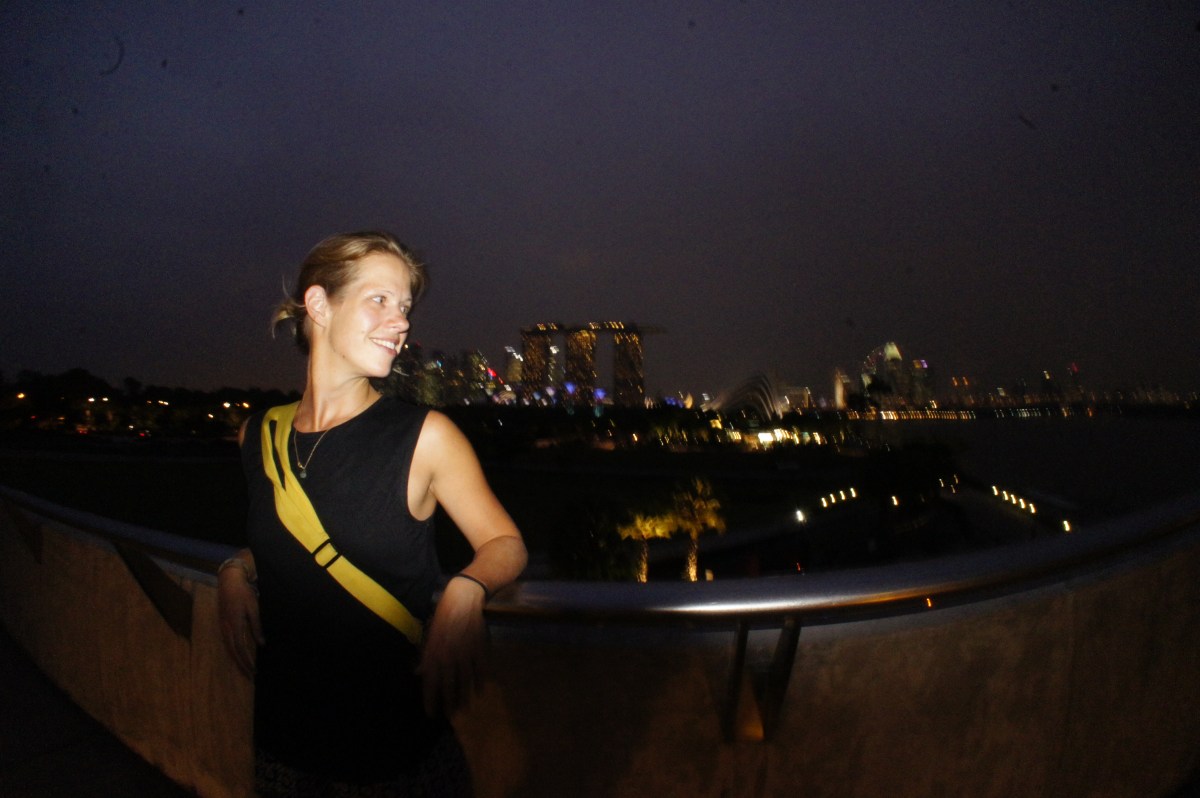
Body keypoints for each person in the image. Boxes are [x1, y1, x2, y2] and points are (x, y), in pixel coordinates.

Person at [218, 230, 527, 797]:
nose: (401, 322)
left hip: (397, 760)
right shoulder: (258, 435)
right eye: (379, 299)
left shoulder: (426, 437)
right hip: (282, 748)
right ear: (319, 305)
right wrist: (236, 569)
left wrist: (466, 589)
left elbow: (505, 543)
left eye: (405, 306)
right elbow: (286, 543)